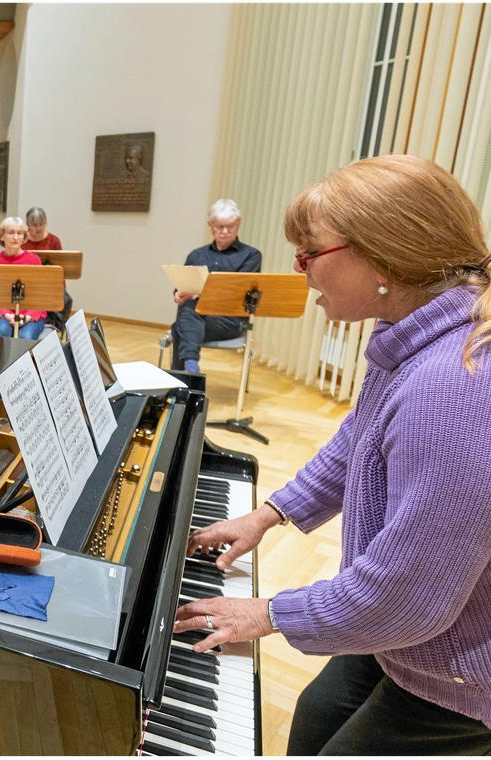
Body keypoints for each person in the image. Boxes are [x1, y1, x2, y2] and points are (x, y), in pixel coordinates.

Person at [173, 154, 491, 755]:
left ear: (384, 256)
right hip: (417, 631)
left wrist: (267, 612)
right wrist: (268, 514)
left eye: (309, 253)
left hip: (462, 663)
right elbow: (360, 440)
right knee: (318, 710)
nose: (300, 271)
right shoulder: (416, 330)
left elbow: (406, 597)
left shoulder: (454, 386)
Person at [171, 199, 261, 373]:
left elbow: (238, 293)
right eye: (219, 226)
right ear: (210, 225)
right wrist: (178, 293)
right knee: (188, 310)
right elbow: (181, 284)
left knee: (181, 325)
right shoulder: (196, 255)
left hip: (229, 321)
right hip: (196, 318)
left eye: (231, 226)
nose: (225, 232)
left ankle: (183, 380)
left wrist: (200, 296)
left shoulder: (251, 255)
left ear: (239, 224)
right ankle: (191, 368)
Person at [0, 217, 47, 340]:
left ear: (24, 237)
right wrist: (8, 315)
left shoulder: (34, 260)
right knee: (3, 332)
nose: (15, 237)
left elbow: (39, 295)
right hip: (3, 313)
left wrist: (27, 317)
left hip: (31, 313)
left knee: (25, 336)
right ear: (2, 236)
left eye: (19, 233)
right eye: (11, 233)